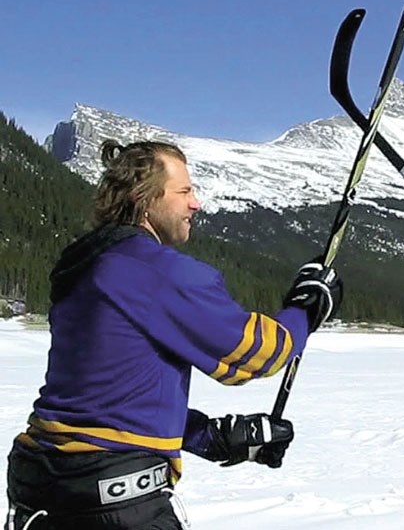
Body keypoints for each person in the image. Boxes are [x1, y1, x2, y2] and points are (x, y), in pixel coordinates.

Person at [5, 139, 342, 530]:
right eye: (184, 191)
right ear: (144, 199)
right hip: (116, 503)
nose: (195, 204)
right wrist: (307, 307)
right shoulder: (154, 270)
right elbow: (259, 353)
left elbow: (104, 397)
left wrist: (209, 436)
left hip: (42, 492)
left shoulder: (86, 267)